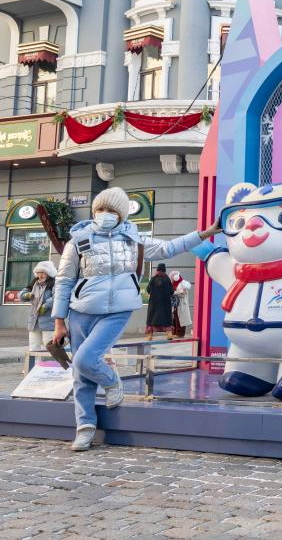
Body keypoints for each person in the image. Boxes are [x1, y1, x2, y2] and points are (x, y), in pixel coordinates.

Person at [52, 187, 221, 451]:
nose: (104, 214)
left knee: (85, 359)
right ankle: (84, 426)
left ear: (121, 213)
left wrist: (205, 233)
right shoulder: (78, 241)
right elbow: (63, 281)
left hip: (117, 311)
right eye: (100, 209)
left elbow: (169, 248)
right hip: (81, 311)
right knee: (80, 373)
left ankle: (111, 380)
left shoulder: (135, 241)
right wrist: (59, 321)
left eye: (110, 209)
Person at [20, 260, 57, 353]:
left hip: (48, 319)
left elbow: (57, 297)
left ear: (49, 273)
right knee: (34, 347)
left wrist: (46, 305)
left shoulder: (54, 284)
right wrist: (26, 295)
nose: (40, 275)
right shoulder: (34, 283)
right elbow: (22, 294)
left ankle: (53, 362)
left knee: (49, 345)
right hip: (34, 320)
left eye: (43, 272)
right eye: (39, 272)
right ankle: (36, 362)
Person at [145, 264, 174, 339]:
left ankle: (150, 335)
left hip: (154, 304)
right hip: (165, 304)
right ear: (165, 270)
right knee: (166, 320)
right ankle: (169, 334)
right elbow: (172, 291)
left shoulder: (153, 279)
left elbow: (148, 289)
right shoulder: (167, 279)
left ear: (157, 270)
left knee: (152, 319)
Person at [169, 271, 192, 338]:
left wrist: (174, 293)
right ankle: (174, 332)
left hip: (181, 304)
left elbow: (182, 293)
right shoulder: (173, 284)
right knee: (174, 319)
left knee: (180, 320)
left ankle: (180, 334)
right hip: (175, 304)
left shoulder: (183, 283)